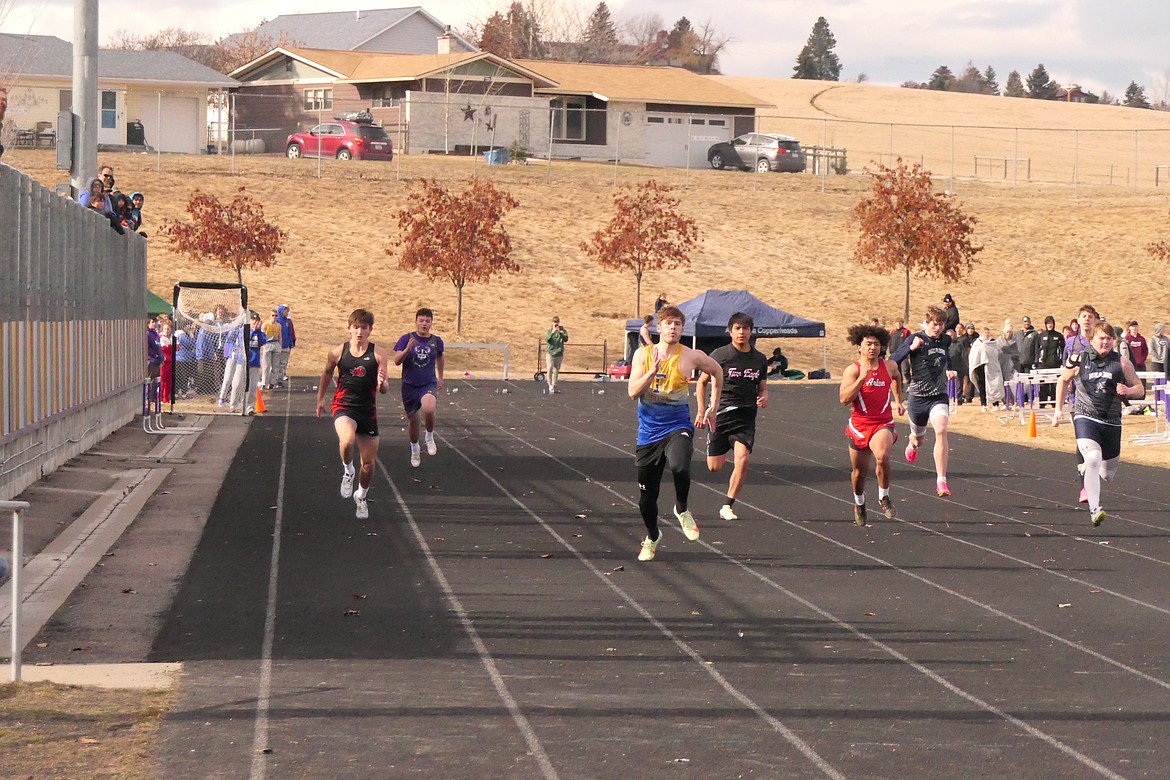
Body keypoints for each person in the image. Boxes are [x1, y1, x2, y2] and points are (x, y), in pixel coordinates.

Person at [628, 304, 722, 561]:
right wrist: (652, 371)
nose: (673, 328)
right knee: (647, 500)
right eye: (668, 324)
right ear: (659, 328)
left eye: (678, 324)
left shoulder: (691, 356)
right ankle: (652, 536)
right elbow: (633, 392)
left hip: (677, 426)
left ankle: (682, 509)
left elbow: (717, 371)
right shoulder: (643, 355)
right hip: (648, 434)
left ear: (682, 329)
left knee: (680, 465)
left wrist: (712, 405)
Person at [1053, 321, 1143, 527]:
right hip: (1086, 416)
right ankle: (1095, 510)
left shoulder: (1122, 363)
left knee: (1107, 473)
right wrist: (1058, 409)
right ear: (1092, 339)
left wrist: (1128, 391)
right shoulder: (1078, 359)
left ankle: (1090, 476)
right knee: (1092, 458)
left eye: (1109, 339)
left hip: (1111, 422)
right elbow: (1063, 380)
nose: (1105, 342)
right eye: (1101, 338)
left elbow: (1139, 388)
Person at [316, 308, 389, 519]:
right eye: (355, 327)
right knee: (347, 441)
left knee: (368, 464)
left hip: (367, 410)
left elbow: (384, 389)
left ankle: (361, 495)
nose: (359, 332)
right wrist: (320, 397)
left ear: (370, 331)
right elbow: (327, 373)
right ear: (349, 328)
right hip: (343, 406)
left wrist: (382, 383)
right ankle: (348, 471)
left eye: (363, 328)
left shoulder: (378, 354)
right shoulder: (338, 352)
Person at [696, 312, 768, 521]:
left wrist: (763, 397)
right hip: (721, 415)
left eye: (745, 329)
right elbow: (701, 382)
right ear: (730, 331)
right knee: (714, 467)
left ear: (751, 332)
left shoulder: (759, 359)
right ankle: (722, 445)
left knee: (743, 460)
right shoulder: (720, 355)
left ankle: (728, 505)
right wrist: (702, 410)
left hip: (745, 417)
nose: (742, 332)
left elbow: (763, 388)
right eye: (737, 328)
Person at [840, 323, 904, 526]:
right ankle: (859, 503)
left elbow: (896, 378)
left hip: (882, 422)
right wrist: (861, 379)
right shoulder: (853, 369)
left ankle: (883, 496)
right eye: (868, 344)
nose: (873, 348)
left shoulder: (889, 366)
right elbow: (843, 399)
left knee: (882, 456)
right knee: (859, 473)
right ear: (859, 346)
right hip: (860, 425)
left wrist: (898, 399)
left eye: (876, 344)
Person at [889, 305, 957, 496]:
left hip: (938, 395)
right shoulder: (915, 338)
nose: (938, 328)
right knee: (918, 439)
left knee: (941, 430)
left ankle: (941, 481)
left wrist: (950, 370)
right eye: (935, 324)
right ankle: (912, 444)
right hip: (918, 397)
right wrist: (911, 348)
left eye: (941, 324)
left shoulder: (945, 340)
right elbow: (894, 359)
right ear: (927, 323)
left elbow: (946, 359)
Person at [394, 308, 445, 468]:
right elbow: (396, 360)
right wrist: (407, 350)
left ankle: (429, 436)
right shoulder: (406, 338)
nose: (424, 324)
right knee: (413, 421)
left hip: (427, 383)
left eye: (427, 321)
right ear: (416, 321)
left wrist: (440, 377)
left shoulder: (436, 341)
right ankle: (415, 448)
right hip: (409, 385)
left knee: (429, 408)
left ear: (431, 323)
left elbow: (441, 357)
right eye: (421, 320)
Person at [1064, 304, 1100, 504]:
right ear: (1078, 321)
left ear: (1095, 320)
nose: (1087, 319)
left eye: (1090, 316)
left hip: (1098, 400)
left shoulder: (1100, 342)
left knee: (1097, 444)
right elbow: (1065, 371)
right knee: (1082, 440)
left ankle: (1093, 477)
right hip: (1076, 400)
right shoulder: (1071, 343)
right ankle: (1084, 487)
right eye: (1084, 316)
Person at [1035, 315, 1065, 407]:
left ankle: (1054, 403)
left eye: (1051, 323)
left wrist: (1061, 362)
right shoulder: (1041, 336)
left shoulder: (1058, 336)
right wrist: (1036, 362)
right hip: (1043, 365)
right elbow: (1036, 349)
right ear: (1045, 324)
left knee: (1054, 385)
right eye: (1048, 323)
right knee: (1043, 385)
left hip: (1055, 364)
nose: (1049, 325)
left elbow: (1063, 350)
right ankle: (1042, 404)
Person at [244, 312, 266, 414]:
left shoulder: (260, 333)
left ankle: (250, 407)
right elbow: (244, 341)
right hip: (244, 363)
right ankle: (239, 405)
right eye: (253, 320)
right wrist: (252, 331)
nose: (254, 322)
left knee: (253, 387)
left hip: (254, 362)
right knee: (242, 385)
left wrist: (258, 331)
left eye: (256, 320)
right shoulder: (245, 331)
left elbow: (263, 341)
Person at [544, 316, 569, 393]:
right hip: (550, 352)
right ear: (552, 323)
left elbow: (566, 339)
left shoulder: (563, 331)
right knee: (549, 368)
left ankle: (554, 384)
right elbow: (547, 339)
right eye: (554, 322)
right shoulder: (549, 331)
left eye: (557, 322)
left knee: (556, 369)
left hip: (559, 353)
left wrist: (560, 332)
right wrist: (553, 332)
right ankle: (549, 384)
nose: (556, 324)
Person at [274, 304, 296, 386]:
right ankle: (273, 380)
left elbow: (290, 333)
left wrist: (291, 343)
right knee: (276, 364)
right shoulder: (277, 321)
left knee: (283, 364)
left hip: (286, 345)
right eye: (285, 310)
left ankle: (280, 380)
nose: (287, 312)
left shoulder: (287, 321)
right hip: (279, 346)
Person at [261, 309, 283, 389]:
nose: (274, 317)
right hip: (268, 343)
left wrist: (280, 346)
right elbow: (262, 335)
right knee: (266, 365)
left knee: (275, 365)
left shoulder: (278, 325)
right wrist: (263, 346)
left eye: (276, 315)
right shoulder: (266, 324)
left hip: (275, 343)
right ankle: (264, 382)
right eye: (273, 315)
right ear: (270, 316)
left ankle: (272, 382)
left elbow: (280, 336)